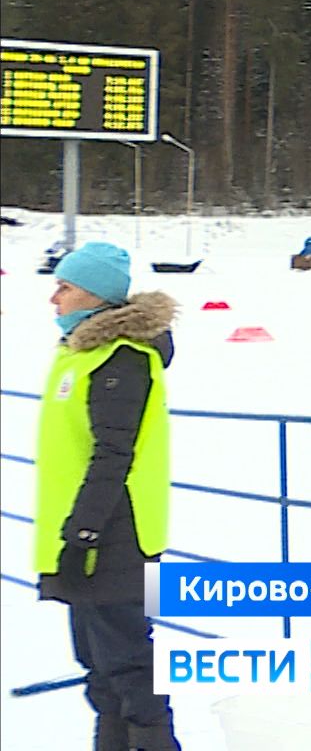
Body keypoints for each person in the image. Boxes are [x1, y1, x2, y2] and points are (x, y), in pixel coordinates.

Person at [37, 241, 180, 751]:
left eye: (66, 287)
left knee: (127, 664)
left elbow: (113, 455)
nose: (54, 298)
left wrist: (83, 535)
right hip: (83, 532)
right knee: (98, 666)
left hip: (115, 534)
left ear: (95, 296)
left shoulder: (123, 360)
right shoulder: (84, 353)